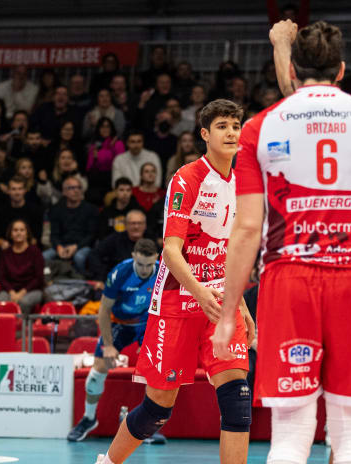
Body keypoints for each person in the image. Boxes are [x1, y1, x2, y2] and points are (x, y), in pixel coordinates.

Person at [211, 21, 351, 464]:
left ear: (292, 69)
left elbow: (246, 229)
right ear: (342, 70)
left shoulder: (260, 128)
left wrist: (226, 314)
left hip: (289, 277)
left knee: (291, 433)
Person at [97, 100, 255, 464]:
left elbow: (230, 249)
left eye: (236, 125)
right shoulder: (187, 178)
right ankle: (107, 462)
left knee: (237, 397)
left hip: (219, 303)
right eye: (222, 126)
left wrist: (240, 303)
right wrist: (200, 294)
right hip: (176, 302)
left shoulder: (245, 179)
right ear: (204, 134)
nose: (232, 132)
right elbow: (170, 252)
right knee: (157, 409)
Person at [68, 238, 160, 442]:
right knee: (97, 372)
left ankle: (146, 426)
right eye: (141, 264)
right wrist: (108, 345)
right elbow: (104, 309)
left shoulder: (163, 272)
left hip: (148, 322)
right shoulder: (120, 273)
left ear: (156, 259)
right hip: (120, 322)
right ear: (134, 256)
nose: (145, 270)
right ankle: (89, 418)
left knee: (154, 372)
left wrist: (150, 340)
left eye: (149, 264)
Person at [44, 176, 98, 275]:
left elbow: (91, 236)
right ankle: (49, 282)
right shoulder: (56, 209)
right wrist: (59, 247)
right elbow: (54, 235)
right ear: (64, 192)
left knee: (79, 257)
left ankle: (83, 280)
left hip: (82, 246)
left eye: (78, 187)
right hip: (62, 245)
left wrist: (76, 247)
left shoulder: (91, 209)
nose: (76, 191)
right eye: (71, 188)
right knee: (44, 257)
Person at [0, 219, 45, 315]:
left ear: (27, 234)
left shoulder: (35, 252)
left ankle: (19, 329)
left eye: (22, 230)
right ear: (10, 234)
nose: (18, 233)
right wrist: (12, 293)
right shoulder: (6, 253)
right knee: (0, 302)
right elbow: (2, 277)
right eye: (15, 230)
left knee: (24, 303)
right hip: (10, 290)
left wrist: (22, 293)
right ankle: (3, 328)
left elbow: (38, 278)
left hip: (32, 290)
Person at [88, 209, 148, 281]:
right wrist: (101, 278)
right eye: (133, 223)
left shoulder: (151, 241)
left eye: (140, 223)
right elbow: (94, 255)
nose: (136, 227)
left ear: (145, 226)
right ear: (126, 225)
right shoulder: (115, 239)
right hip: (117, 281)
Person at [0, 177, 44, 249]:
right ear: (8, 191)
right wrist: (3, 243)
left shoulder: (35, 210)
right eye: (13, 189)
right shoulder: (1, 211)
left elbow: (36, 238)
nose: (17, 192)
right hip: (7, 249)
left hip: (29, 248)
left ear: (25, 190)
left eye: (20, 189)